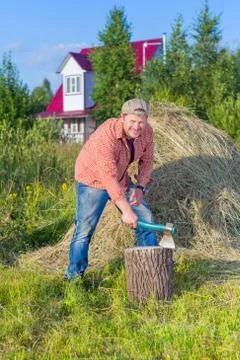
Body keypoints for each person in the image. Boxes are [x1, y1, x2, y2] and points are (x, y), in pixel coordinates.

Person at [64, 98, 158, 280]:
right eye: (132, 121)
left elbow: (147, 161)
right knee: (84, 230)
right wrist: (126, 211)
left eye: (141, 122)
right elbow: (107, 177)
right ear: (122, 117)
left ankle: (151, 272)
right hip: (92, 180)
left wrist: (140, 187)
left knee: (146, 218)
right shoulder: (105, 136)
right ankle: (73, 277)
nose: (137, 127)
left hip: (121, 178)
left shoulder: (147, 132)